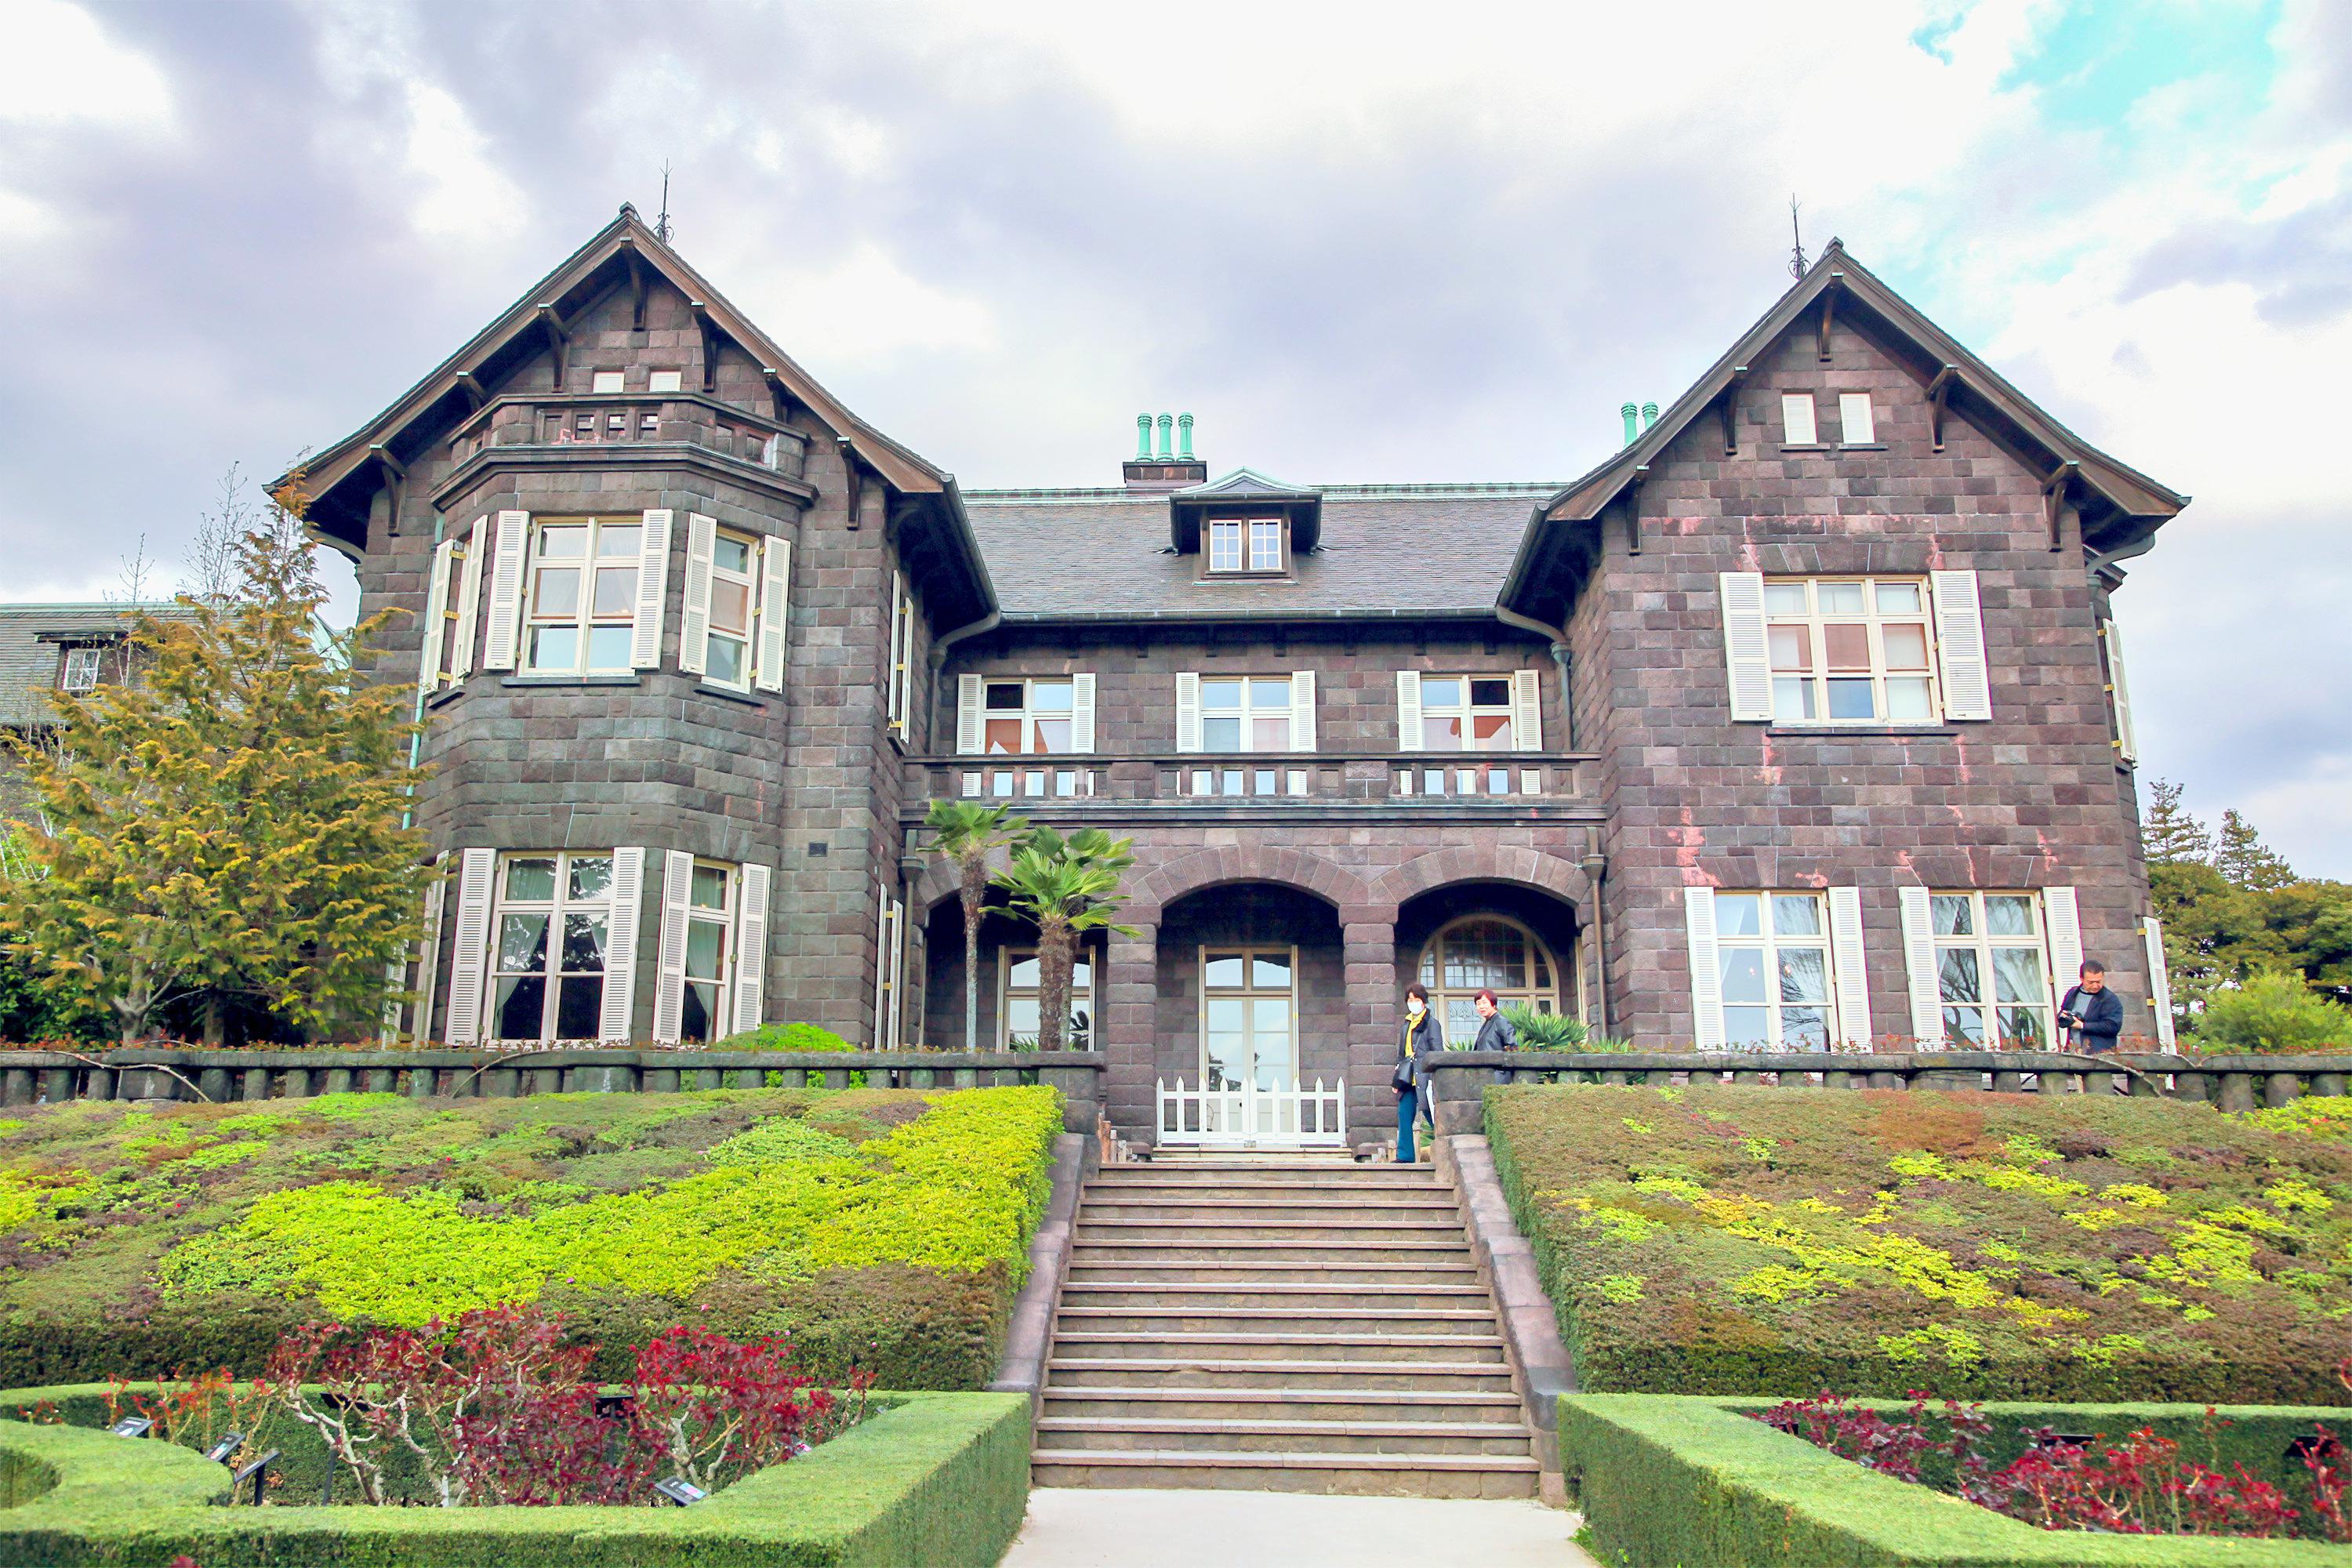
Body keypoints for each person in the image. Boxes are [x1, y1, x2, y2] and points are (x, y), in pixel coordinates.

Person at [1392, 982, 1446, 1163]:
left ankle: (1444, 1148)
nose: (1412, 1002)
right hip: (1408, 1077)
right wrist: (1396, 1082)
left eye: (1416, 999)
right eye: (1410, 1000)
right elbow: (1401, 1056)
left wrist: (1434, 1076)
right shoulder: (1406, 1025)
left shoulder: (1432, 1024)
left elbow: (1437, 1053)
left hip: (1425, 1077)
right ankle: (1405, 1155)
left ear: (1423, 1001)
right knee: (1404, 1114)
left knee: (1430, 1112)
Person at [2055, 961, 2124, 1054]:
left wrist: (2082, 1025)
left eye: (2099, 981)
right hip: (2073, 1053)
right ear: (2081, 979)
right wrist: (2064, 1017)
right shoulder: (2073, 993)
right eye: (2090, 982)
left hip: (2100, 1056)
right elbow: (2063, 1012)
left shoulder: (2109, 999)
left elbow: (2113, 1026)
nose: (2095, 986)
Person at [1470, 988, 1518, 1053]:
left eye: (1484, 1003)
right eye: (1478, 1004)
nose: (1481, 1006)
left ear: (1493, 1004)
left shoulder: (1501, 1021)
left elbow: (1512, 1047)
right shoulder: (1486, 1025)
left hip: (1495, 1062)